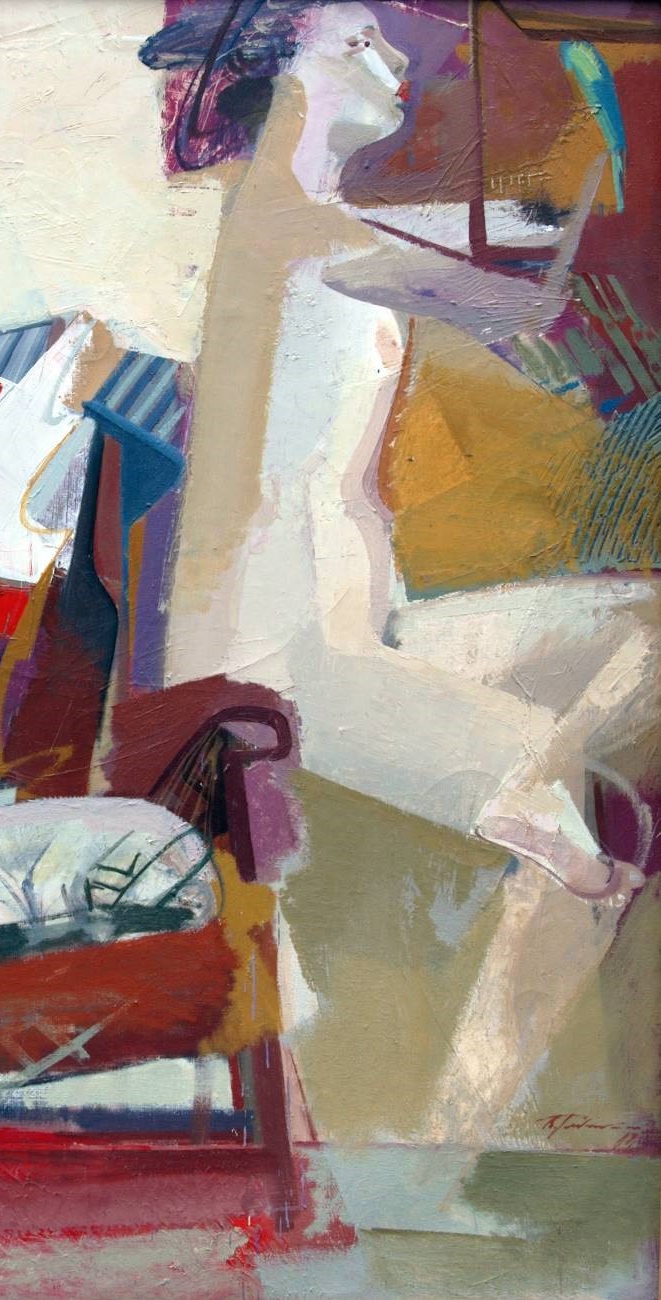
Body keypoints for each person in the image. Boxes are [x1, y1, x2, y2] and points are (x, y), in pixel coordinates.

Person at [140, 0, 658, 903]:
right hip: (288, 664)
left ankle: (561, 843)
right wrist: (599, 154)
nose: (396, 61)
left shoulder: (313, 223)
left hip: (360, 632)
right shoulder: (293, 227)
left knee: (638, 628)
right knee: (566, 806)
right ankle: (560, 862)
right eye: (358, 42)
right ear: (287, 72)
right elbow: (525, 305)